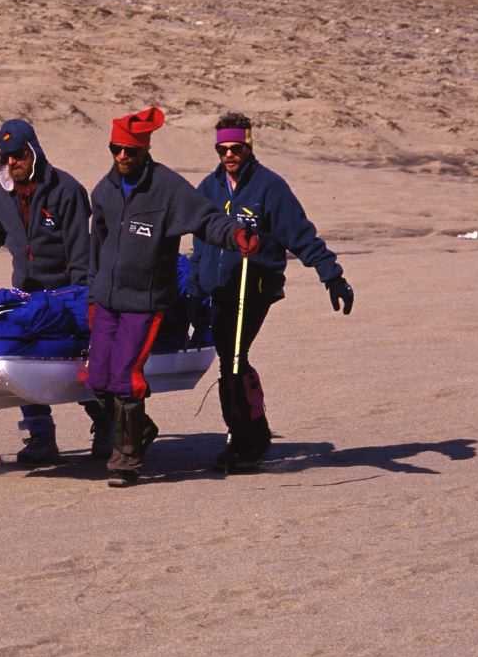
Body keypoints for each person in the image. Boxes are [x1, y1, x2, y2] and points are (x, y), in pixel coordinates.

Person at [87, 106, 259, 487]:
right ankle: (140, 428)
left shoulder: (167, 188)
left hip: (145, 303)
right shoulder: (105, 190)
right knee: (97, 378)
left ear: (145, 150)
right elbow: (95, 245)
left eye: (129, 151)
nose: (121, 157)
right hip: (106, 300)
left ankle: (126, 459)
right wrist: (91, 292)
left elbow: (207, 219)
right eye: (115, 149)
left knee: (125, 378)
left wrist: (234, 235)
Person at [187, 112, 354, 472]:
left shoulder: (269, 187)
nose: (229, 155)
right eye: (222, 149)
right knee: (229, 358)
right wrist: (195, 291)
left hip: (255, 286)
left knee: (233, 357)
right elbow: (199, 244)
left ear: (248, 146)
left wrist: (332, 276)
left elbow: (301, 235)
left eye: (236, 148)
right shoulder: (209, 188)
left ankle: (248, 441)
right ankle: (251, 433)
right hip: (218, 287)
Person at [0, 119, 114, 464]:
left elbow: (82, 250)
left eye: (19, 155)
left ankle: (107, 426)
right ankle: (40, 437)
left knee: (77, 364)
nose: (13, 162)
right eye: (7, 157)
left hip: (68, 293)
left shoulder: (66, 190)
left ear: (33, 151)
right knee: (20, 364)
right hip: (27, 296)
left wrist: (84, 299)